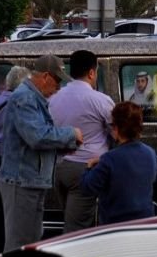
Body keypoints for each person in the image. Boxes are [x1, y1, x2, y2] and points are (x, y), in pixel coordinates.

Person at [0, 55, 83, 250]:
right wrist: (71, 134)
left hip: (30, 180)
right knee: (20, 243)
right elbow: (37, 136)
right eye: (57, 80)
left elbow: (37, 138)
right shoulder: (25, 98)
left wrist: (66, 145)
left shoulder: (33, 98)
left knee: (30, 240)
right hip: (22, 181)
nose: (58, 87)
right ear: (45, 76)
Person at [49, 50, 114, 233]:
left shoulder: (53, 99)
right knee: (78, 229)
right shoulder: (100, 100)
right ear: (92, 73)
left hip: (58, 167)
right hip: (86, 169)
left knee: (70, 217)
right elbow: (118, 131)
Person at [80, 102, 157, 225]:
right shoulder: (150, 153)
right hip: (145, 222)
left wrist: (89, 167)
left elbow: (88, 187)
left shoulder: (109, 159)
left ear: (116, 129)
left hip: (115, 225)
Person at [0, 66, 29, 257]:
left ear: (7, 83)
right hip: (15, 162)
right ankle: (12, 250)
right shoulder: (25, 105)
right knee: (14, 209)